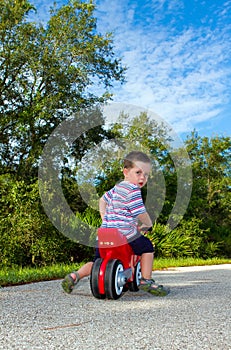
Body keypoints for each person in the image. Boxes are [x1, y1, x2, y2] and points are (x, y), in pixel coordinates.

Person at [62, 151, 169, 296]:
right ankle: (146, 279)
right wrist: (148, 224)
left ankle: (75, 276)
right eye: (138, 172)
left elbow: (102, 200)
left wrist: (104, 217)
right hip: (125, 234)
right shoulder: (134, 190)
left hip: (104, 234)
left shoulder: (117, 188)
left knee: (97, 262)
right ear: (126, 172)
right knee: (147, 247)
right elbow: (141, 213)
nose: (143, 177)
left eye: (146, 174)